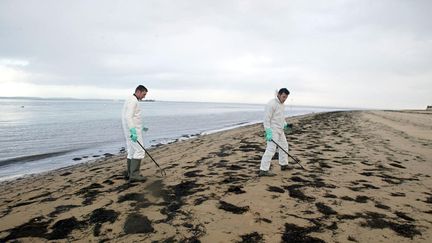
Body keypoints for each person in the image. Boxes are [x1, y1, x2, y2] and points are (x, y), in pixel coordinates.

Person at [259, 88, 292, 176]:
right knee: (271, 149)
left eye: (286, 97)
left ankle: (284, 164)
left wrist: (285, 125)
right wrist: (268, 132)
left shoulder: (282, 105)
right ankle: (263, 170)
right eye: (283, 97)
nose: (284, 99)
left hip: (280, 130)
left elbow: (281, 117)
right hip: (272, 130)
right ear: (279, 94)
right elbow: (266, 120)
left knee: (284, 146)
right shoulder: (271, 104)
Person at [122, 85, 149, 182]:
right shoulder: (133, 101)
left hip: (130, 130)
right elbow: (128, 117)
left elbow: (134, 117)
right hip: (133, 132)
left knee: (132, 151)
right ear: (138, 91)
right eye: (144, 94)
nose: (144, 97)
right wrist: (133, 131)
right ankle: (134, 175)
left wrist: (142, 127)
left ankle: (130, 173)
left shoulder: (130, 99)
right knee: (140, 151)